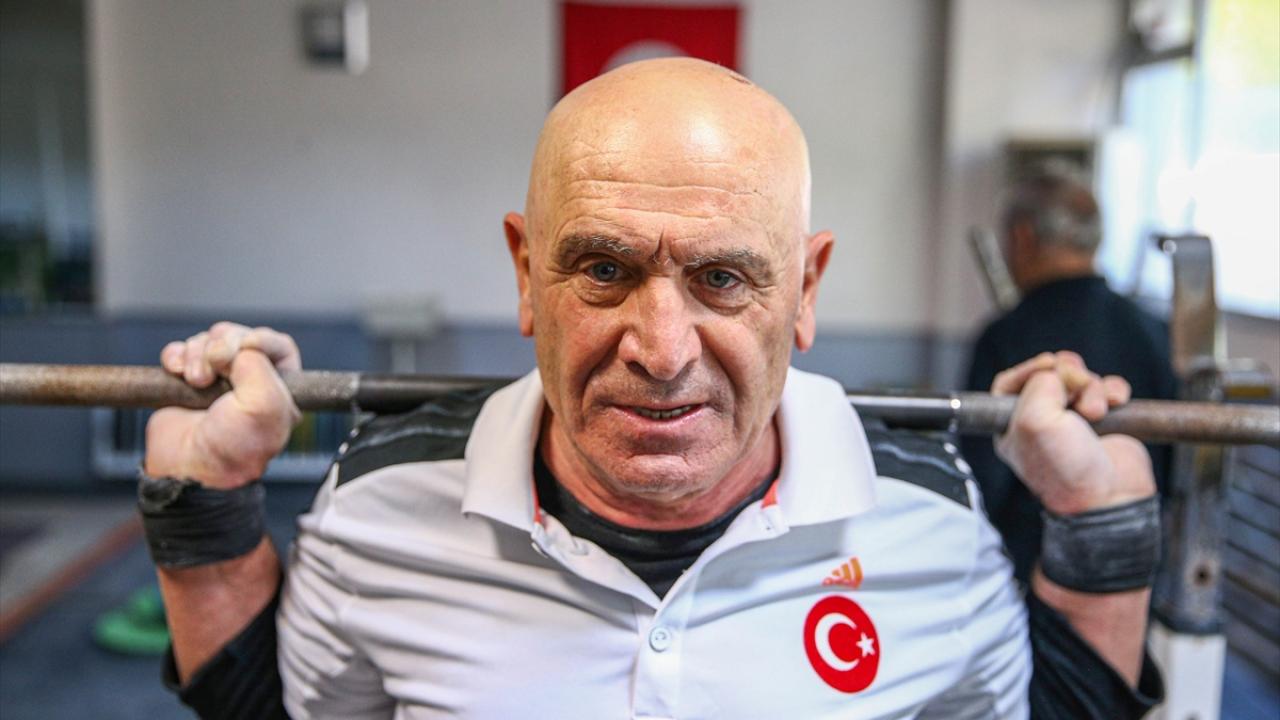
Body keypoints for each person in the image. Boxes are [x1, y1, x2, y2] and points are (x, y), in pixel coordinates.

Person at [142, 59, 1163, 718]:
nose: (662, 351)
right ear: (526, 274)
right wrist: (203, 521)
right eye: (603, 269)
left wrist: (1102, 533)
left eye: (722, 278)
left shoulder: (929, 525)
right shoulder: (379, 507)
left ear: (804, 290)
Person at [962, 163, 1179, 583]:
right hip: (1135, 564)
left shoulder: (1005, 338)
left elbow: (982, 480)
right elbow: (1173, 471)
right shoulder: (1155, 333)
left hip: (1029, 573)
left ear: (1022, 237)